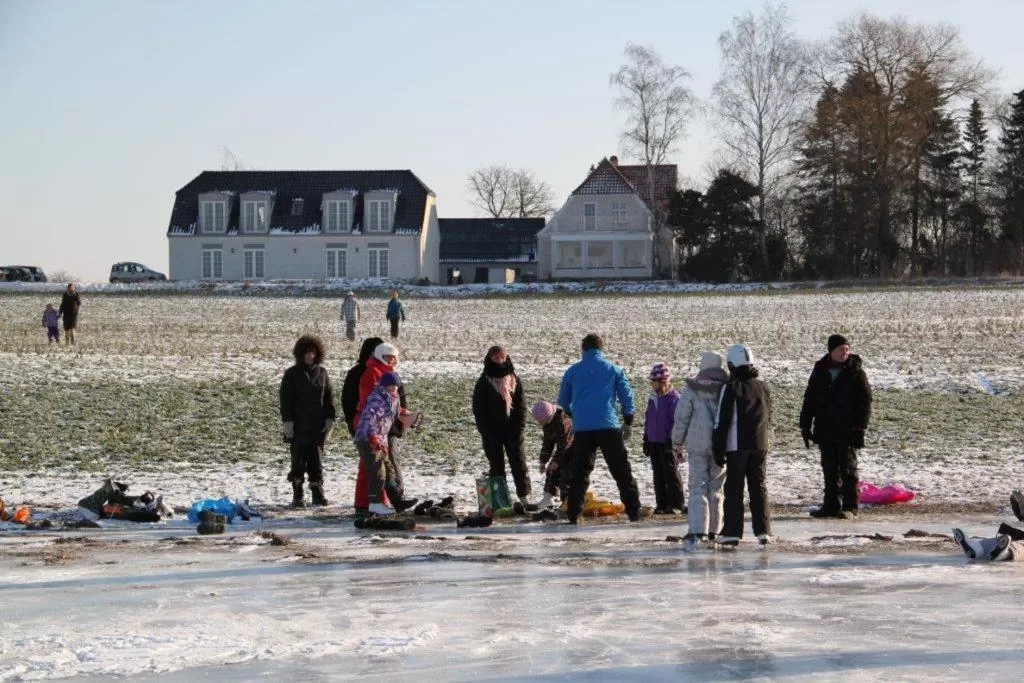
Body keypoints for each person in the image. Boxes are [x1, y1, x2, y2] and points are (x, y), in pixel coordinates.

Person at [558, 333, 641, 524]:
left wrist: (574, 415)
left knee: (580, 473)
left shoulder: (572, 371)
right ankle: (634, 512)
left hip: (583, 429)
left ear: (583, 350)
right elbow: (627, 397)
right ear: (601, 349)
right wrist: (628, 420)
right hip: (608, 426)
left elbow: (563, 401)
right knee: (621, 471)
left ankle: (574, 514)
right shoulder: (613, 369)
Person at [800, 334, 873, 520]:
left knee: (847, 468)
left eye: (847, 349)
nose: (845, 353)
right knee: (829, 468)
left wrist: (860, 428)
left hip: (847, 430)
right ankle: (830, 505)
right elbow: (810, 399)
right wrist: (805, 426)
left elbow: (865, 402)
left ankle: (850, 507)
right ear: (831, 351)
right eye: (841, 349)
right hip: (825, 429)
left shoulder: (856, 372)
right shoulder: (820, 370)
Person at [712, 344, 773, 546]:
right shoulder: (762, 387)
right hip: (760, 443)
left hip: (737, 446)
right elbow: (768, 415)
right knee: (759, 487)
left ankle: (732, 531)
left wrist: (717, 450)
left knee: (734, 489)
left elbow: (722, 420)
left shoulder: (731, 387)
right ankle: (764, 530)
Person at [672, 352, 729, 550]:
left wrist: (676, 443)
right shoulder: (726, 388)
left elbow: (682, 418)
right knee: (716, 487)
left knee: (698, 486)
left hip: (697, 444)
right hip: (720, 446)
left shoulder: (692, 389)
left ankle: (698, 529)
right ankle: (715, 529)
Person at [353, 341, 418, 512]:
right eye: (389, 357)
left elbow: (394, 405)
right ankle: (367, 504)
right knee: (373, 468)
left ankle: (394, 501)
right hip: (371, 430)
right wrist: (372, 434)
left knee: (386, 468)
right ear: (381, 356)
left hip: (382, 430)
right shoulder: (373, 374)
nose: (392, 361)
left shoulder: (388, 375)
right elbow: (371, 409)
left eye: (394, 358)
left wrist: (407, 415)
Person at [279, 334, 336, 508]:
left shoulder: (322, 373)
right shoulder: (292, 374)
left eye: (312, 353)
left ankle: (317, 492)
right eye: (306, 353)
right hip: (298, 426)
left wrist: (330, 419)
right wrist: (287, 421)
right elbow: (285, 399)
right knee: (297, 461)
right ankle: (298, 494)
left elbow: (329, 398)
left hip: (317, 426)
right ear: (300, 354)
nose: (310, 356)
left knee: (316, 461)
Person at [472, 346, 530, 505]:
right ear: (490, 359)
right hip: (492, 432)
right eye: (496, 358)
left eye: (502, 357)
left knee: (519, 464)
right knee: (497, 467)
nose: (499, 361)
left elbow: (521, 406)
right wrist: (485, 431)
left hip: (513, 431)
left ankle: (524, 498)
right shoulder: (484, 381)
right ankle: (501, 500)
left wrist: (520, 428)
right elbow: (478, 409)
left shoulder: (514, 379)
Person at [353, 371, 405, 516]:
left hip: (380, 440)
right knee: (378, 472)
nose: (393, 388)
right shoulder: (378, 399)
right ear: (384, 386)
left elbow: (393, 413)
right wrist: (373, 436)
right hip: (368, 439)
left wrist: (406, 414)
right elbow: (369, 417)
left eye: (396, 386)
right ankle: (375, 504)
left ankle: (397, 501)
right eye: (390, 386)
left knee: (389, 471)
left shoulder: (392, 399)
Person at [644, 363, 684, 515]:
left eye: (653, 381)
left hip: (667, 441)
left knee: (671, 472)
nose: (651, 384)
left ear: (662, 382)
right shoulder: (653, 398)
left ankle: (676, 504)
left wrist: (672, 439)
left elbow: (677, 421)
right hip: (654, 440)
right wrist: (646, 438)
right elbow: (649, 418)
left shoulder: (674, 398)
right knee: (658, 473)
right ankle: (662, 503)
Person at [532, 400, 574, 510]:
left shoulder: (562, 422)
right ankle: (548, 498)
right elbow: (548, 443)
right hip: (563, 450)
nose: (539, 423)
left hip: (573, 449)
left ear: (547, 416)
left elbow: (564, 444)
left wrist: (557, 461)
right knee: (551, 471)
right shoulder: (548, 423)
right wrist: (543, 461)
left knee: (565, 475)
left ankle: (568, 502)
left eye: (540, 420)